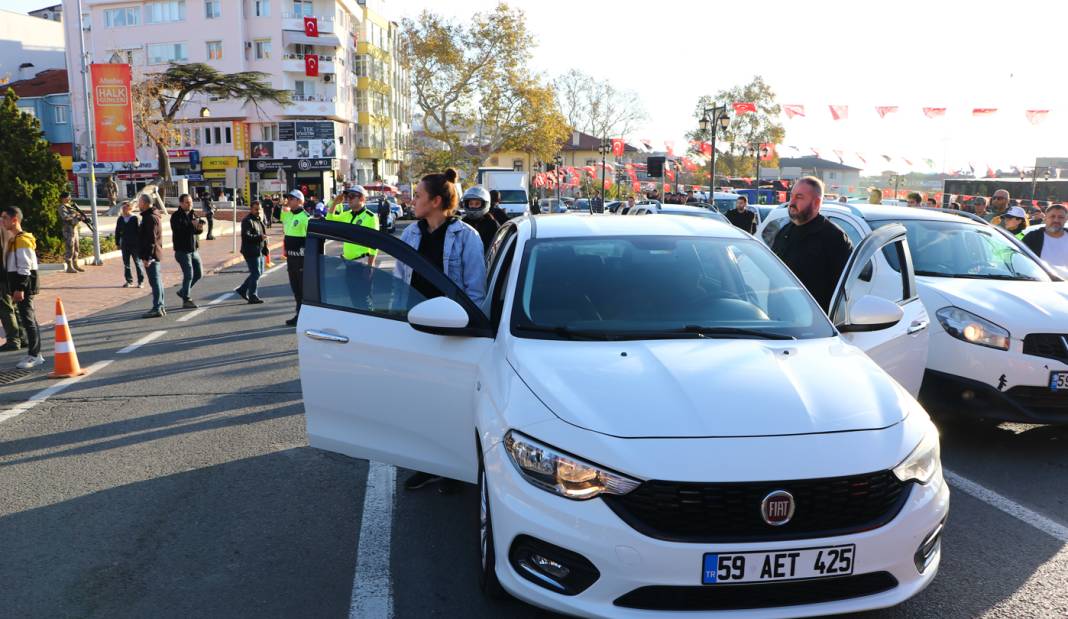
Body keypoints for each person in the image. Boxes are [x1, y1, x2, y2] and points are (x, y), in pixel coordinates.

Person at [397, 168, 486, 491]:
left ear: (435, 201)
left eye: (418, 195)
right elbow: (401, 283)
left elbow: (475, 290)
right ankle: (427, 463)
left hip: (452, 330)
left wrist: (467, 329)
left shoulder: (466, 236)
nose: (413, 200)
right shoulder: (410, 235)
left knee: (452, 404)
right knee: (420, 401)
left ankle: (455, 470)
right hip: (418, 328)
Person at [771, 176, 854, 313]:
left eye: (799, 197)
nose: (791, 202)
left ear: (816, 203)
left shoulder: (834, 238)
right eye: (791, 196)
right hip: (780, 321)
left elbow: (843, 290)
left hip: (813, 325)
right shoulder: (784, 232)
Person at [1, 207, 43, 369]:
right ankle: (35, 353)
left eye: (5, 218)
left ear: (15, 220)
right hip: (19, 286)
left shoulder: (22, 240)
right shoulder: (15, 239)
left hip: (24, 287)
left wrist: (20, 289)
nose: (2, 221)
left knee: (28, 320)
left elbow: (25, 267)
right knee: (29, 319)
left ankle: (34, 355)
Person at [281, 189, 311, 326]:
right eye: (288, 199)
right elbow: (281, 215)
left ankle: (304, 316)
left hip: (301, 260)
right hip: (291, 259)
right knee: (295, 290)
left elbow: (310, 241)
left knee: (303, 290)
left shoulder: (305, 217)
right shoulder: (289, 215)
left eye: (292, 199)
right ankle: (300, 314)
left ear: (299, 201)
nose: (289, 201)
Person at [171, 194, 205, 309]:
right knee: (189, 274)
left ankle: (183, 291)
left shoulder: (193, 214)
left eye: (190, 202)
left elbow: (195, 232)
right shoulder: (176, 216)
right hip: (182, 251)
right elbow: (179, 231)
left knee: (199, 273)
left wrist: (199, 228)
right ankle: (186, 299)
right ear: (180, 203)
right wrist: (192, 225)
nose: (190, 204)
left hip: (194, 250)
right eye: (187, 202)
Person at [235, 200, 268, 304]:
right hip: (250, 251)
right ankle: (253, 296)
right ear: (251, 209)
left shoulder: (259, 220)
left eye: (259, 209)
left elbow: (263, 235)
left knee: (259, 272)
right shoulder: (247, 221)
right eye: (256, 209)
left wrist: (265, 247)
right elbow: (246, 236)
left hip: (260, 250)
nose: (258, 211)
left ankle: (242, 289)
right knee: (256, 273)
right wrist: (260, 237)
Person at [138, 194, 165, 317]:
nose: (138, 204)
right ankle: (160, 306)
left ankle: (157, 307)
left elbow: (151, 239)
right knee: (157, 281)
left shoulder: (150, 218)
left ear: (144, 203)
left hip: (151, 255)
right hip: (154, 254)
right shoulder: (152, 215)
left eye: (139, 202)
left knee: (155, 281)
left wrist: (148, 257)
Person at [1022, 203, 1068, 275]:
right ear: (1045, 218)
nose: (1056, 220)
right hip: (1039, 282)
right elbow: (1021, 261)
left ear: (1066, 219)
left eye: (1061, 217)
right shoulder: (1032, 237)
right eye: (1052, 216)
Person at [0, 220, 25, 352]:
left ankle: (13, 340)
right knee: (13, 307)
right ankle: (22, 337)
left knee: (5, 308)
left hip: (2, 273)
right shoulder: (6, 225)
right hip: (11, 272)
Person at [114, 200, 144, 288]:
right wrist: (117, 242)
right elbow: (117, 231)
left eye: (125, 207)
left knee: (137, 263)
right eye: (122, 208)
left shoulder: (135, 218)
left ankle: (141, 281)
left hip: (135, 245)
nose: (123, 209)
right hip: (125, 244)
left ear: (130, 208)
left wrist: (140, 243)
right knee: (126, 264)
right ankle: (129, 281)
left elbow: (140, 232)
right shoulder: (120, 219)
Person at [461, 185, 499, 252]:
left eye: (477, 204)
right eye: (471, 203)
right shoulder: (463, 222)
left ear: (485, 204)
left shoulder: (491, 223)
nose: (473, 206)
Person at [58, 192, 84, 273]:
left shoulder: (71, 206)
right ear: (63, 198)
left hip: (74, 229)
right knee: (70, 247)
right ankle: (69, 266)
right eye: (68, 197)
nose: (70, 199)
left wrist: (80, 217)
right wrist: (74, 214)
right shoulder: (62, 207)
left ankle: (75, 264)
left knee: (76, 247)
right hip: (68, 230)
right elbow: (65, 217)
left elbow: (74, 217)